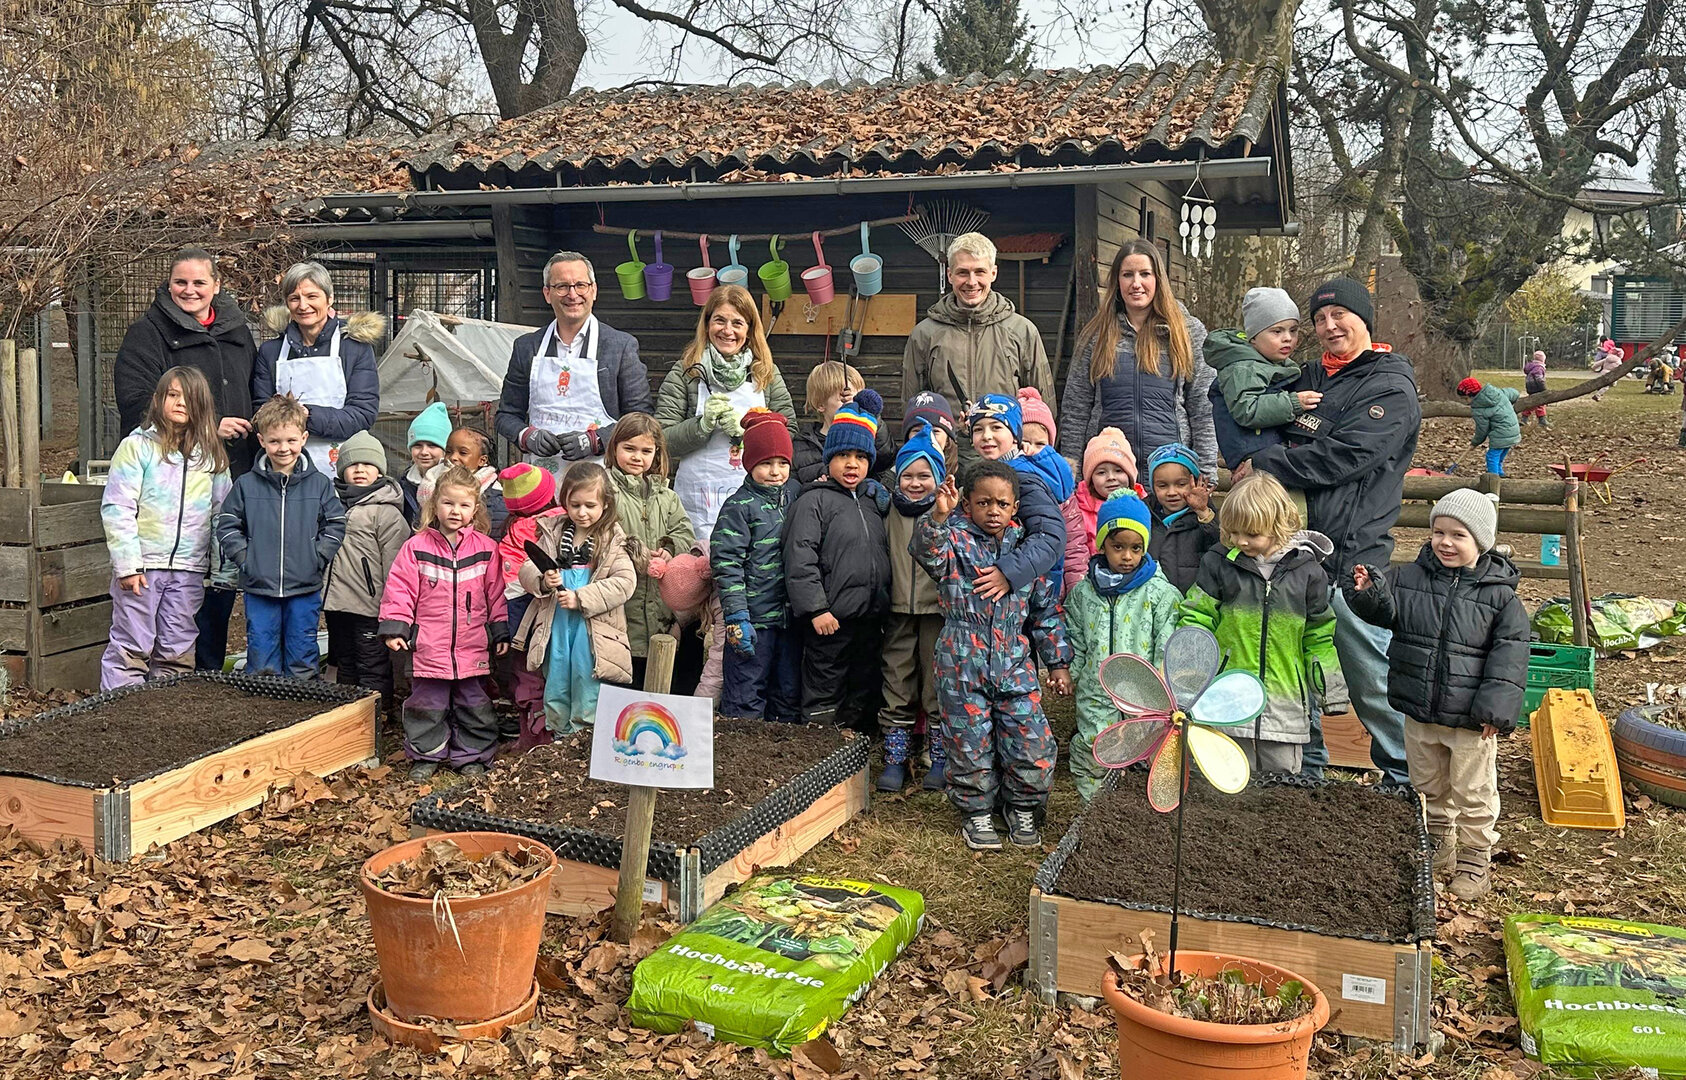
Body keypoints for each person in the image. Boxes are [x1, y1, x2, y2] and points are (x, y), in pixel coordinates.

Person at [1243, 277, 1420, 785]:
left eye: (1340, 314)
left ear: (1364, 319)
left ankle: (1405, 778)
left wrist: (1266, 463)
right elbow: (1247, 403)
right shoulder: (1309, 375)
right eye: (1320, 319)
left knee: (1370, 680)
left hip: (1350, 557)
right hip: (1294, 555)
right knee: (1300, 672)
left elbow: (1346, 456)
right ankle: (1309, 773)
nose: (1329, 326)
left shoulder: (1389, 385)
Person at [1344, 489, 1528, 900]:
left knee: (1473, 790)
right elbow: (1385, 612)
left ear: (1481, 542)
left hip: (1470, 718)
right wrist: (1367, 593)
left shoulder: (1500, 597)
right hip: (1419, 709)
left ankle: (1476, 856)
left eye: (1458, 535)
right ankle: (1439, 841)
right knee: (1428, 783)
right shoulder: (1409, 579)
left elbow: (1510, 657)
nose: (1445, 542)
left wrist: (1495, 710)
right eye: (1438, 532)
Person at [914, 462, 1071, 850]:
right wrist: (939, 515)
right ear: (967, 504)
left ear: (1015, 507)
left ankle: (1023, 806)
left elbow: (1045, 612)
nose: (993, 511)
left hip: (1014, 660)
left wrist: (1058, 663)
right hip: (961, 661)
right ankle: (977, 812)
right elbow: (925, 551)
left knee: (1031, 741)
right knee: (969, 744)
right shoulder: (954, 541)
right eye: (984, 503)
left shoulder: (1026, 550)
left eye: (1002, 503)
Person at [1178, 473, 1346, 775]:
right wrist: (1187, 675)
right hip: (1227, 699)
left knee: (1282, 780)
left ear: (1279, 526)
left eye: (1252, 534)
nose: (1241, 541)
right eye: (1234, 532)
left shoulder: (1308, 574)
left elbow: (1319, 635)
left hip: (1284, 704)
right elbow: (1196, 617)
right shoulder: (1219, 563)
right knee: (1226, 777)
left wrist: (1329, 691)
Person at [99, 368, 231, 690]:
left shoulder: (211, 456)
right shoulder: (137, 448)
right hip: (143, 568)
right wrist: (128, 565)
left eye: (189, 397)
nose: (181, 403)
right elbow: (118, 507)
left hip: (189, 569)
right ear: (158, 400)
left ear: (202, 406)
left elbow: (222, 515)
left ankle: (166, 712)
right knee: (131, 645)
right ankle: (121, 709)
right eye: (173, 395)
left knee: (177, 650)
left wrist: (222, 570)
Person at [379, 465, 509, 780]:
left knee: (474, 703)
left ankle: (473, 755)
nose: (455, 511)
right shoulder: (416, 547)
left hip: (472, 644)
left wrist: (500, 630)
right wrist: (396, 625)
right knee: (427, 703)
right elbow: (400, 589)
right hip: (428, 645)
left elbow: (496, 594)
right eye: (448, 503)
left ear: (475, 509)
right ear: (434, 504)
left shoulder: (486, 549)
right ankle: (426, 754)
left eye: (464, 505)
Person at [214, 395, 346, 679]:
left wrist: (318, 556)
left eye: (291, 440)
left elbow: (335, 523)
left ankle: (303, 701)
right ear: (261, 441)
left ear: (303, 438)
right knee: (262, 655)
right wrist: (246, 559)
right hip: (259, 587)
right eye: (274, 441)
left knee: (302, 653)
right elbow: (227, 524)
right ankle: (265, 702)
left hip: (305, 586)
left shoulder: (319, 484)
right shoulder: (246, 485)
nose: (283, 448)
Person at [1059, 239, 1215, 475]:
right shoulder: (1095, 335)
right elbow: (1076, 408)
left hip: (1170, 477)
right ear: (1117, 281)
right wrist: (1072, 471)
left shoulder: (1187, 332)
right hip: (1109, 477)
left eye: (1145, 274)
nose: (1136, 283)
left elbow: (1204, 406)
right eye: (1127, 275)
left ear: (1158, 279)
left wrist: (1206, 471)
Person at [784, 391, 893, 729]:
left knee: (863, 685)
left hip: (870, 618)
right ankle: (820, 744)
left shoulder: (873, 501)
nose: (852, 464)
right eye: (843, 455)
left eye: (860, 457)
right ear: (829, 457)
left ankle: (857, 747)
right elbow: (800, 558)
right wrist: (816, 609)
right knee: (824, 687)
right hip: (830, 620)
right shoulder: (813, 501)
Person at [655, 285, 797, 542]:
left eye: (737, 323)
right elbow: (661, 439)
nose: (727, 330)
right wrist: (701, 426)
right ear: (707, 324)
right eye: (719, 320)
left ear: (749, 329)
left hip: (756, 501)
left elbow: (789, 432)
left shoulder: (766, 373)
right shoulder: (686, 372)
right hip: (698, 500)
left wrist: (751, 433)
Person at [903, 233, 1055, 470]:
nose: (971, 282)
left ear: (993, 273)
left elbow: (1042, 405)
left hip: (1008, 463)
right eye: (963, 272)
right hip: (945, 459)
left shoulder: (1022, 331)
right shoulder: (924, 334)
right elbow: (913, 405)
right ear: (950, 275)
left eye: (980, 272)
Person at [1064, 489, 1181, 799]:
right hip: (1096, 691)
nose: (1127, 556)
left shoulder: (1160, 594)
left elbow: (1167, 642)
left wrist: (1163, 690)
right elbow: (1076, 639)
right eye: (1118, 547)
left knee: (1146, 751)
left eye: (1135, 548)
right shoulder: (1084, 594)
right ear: (1102, 543)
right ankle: (1094, 810)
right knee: (1094, 747)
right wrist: (1072, 674)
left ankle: (1139, 810)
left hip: (1144, 697)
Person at [496, 251, 654, 470]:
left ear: (593, 290)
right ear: (547, 294)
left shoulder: (620, 346)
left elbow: (641, 418)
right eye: (562, 286)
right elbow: (506, 415)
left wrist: (596, 440)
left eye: (581, 285)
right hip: (540, 477)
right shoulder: (526, 347)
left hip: (602, 477)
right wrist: (526, 436)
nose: (572, 294)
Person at [113, 248, 257, 478]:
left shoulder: (239, 332)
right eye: (181, 282)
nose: (189, 291)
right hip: (172, 471)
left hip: (239, 468)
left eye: (199, 283)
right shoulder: (146, 334)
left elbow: (255, 391)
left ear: (216, 285)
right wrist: (209, 426)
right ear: (169, 285)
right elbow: (137, 403)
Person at [516, 463, 637, 736]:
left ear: (605, 504)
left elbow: (625, 583)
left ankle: (584, 736)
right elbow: (527, 568)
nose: (582, 512)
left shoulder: (612, 540)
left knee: (586, 678)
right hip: (556, 621)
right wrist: (543, 579)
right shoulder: (553, 532)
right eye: (575, 505)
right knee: (556, 677)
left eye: (590, 505)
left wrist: (581, 598)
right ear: (565, 503)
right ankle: (559, 735)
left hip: (592, 626)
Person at [711, 412, 803, 722]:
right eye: (766, 463)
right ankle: (740, 749)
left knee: (787, 694)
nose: (775, 472)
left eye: (782, 463)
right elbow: (727, 564)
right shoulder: (739, 507)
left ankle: (783, 751)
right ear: (749, 464)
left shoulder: (796, 495)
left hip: (789, 621)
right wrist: (737, 616)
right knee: (745, 695)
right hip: (753, 621)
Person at [252, 262, 382, 475]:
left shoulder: (354, 348)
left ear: (329, 298)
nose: (303, 306)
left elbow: (363, 414)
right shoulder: (271, 351)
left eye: (312, 296)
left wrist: (307, 416)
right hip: (284, 464)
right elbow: (260, 411)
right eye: (294, 298)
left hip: (343, 467)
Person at [604, 413, 696, 689]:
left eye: (646, 451)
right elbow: (601, 535)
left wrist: (669, 548)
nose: (637, 457)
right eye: (629, 449)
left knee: (659, 685)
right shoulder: (605, 490)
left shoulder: (667, 496)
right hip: (621, 609)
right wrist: (635, 553)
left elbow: (684, 533)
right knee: (622, 685)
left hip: (660, 608)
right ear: (614, 448)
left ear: (656, 453)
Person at [879, 420, 947, 792]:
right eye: (908, 475)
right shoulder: (886, 507)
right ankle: (895, 757)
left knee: (936, 682)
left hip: (936, 610)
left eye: (924, 476)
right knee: (897, 678)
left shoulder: (946, 513)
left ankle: (939, 756)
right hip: (897, 609)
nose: (916, 483)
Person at [322, 430, 409, 713]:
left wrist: (391, 606)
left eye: (367, 464)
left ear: (380, 470)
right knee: (344, 660)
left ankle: (377, 717)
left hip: (370, 605)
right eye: (352, 464)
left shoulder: (386, 512)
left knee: (372, 664)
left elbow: (396, 566)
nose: (359, 469)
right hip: (336, 604)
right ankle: (348, 716)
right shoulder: (330, 504)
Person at [1206, 287, 1321, 470]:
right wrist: (1292, 403)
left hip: (1266, 451)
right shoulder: (1243, 367)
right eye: (1277, 331)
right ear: (1253, 338)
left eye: (1293, 330)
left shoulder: (1270, 362)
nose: (1287, 338)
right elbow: (1247, 409)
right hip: (1252, 454)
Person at [494, 463, 567, 750]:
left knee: (525, 677)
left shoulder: (514, 531)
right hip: (557, 611)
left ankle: (532, 738)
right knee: (549, 676)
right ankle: (547, 739)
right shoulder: (564, 521)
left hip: (518, 614)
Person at [966, 395, 1066, 595]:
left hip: (1031, 590)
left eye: (996, 427)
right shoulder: (987, 474)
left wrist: (1009, 572)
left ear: (1015, 435)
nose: (986, 436)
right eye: (978, 429)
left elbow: (1050, 535)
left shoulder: (1024, 478)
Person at [1060, 427, 1136, 596]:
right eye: (1101, 472)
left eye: (1118, 470)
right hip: (1091, 585)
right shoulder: (1078, 509)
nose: (1111, 477)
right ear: (1090, 479)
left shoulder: (1142, 507)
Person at [793, 360, 896, 484]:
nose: (853, 406)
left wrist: (871, 416)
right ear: (820, 405)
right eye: (844, 400)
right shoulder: (803, 444)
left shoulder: (868, 434)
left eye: (857, 401)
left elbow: (886, 456)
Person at [654, 540, 726, 703]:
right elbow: (684, 598)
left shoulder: (723, 601)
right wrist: (678, 623)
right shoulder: (687, 568)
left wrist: (699, 704)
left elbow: (719, 660)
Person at [1145, 442, 1219, 594]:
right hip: (1152, 602)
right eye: (1162, 486)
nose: (1172, 492)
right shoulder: (1145, 517)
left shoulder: (1204, 517)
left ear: (1194, 483)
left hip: (1193, 602)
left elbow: (1219, 546)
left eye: (1181, 484)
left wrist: (1203, 513)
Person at [418, 426, 508, 539]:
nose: (453, 457)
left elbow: (496, 540)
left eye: (463, 453)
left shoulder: (496, 501)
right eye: (449, 452)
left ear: (482, 460)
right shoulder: (427, 488)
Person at [399, 402, 450, 524]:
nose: (424, 452)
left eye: (432, 445)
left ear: (445, 450)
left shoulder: (455, 482)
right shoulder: (404, 484)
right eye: (417, 445)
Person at [1458, 377, 1521, 477]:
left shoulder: (1478, 409)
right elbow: (1515, 393)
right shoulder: (1498, 393)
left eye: (1466, 398)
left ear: (1472, 394)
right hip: (1514, 429)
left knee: (1491, 456)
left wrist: (1475, 442)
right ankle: (1499, 473)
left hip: (1500, 433)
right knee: (1500, 453)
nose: (1466, 402)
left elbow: (1482, 430)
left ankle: (1493, 478)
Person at [1522, 350, 1549, 429]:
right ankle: (1542, 420)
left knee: (1532, 402)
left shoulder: (1531, 366)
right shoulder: (1539, 367)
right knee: (1540, 402)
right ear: (1543, 360)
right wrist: (1544, 389)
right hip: (1536, 386)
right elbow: (1539, 379)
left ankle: (1524, 418)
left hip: (1529, 386)